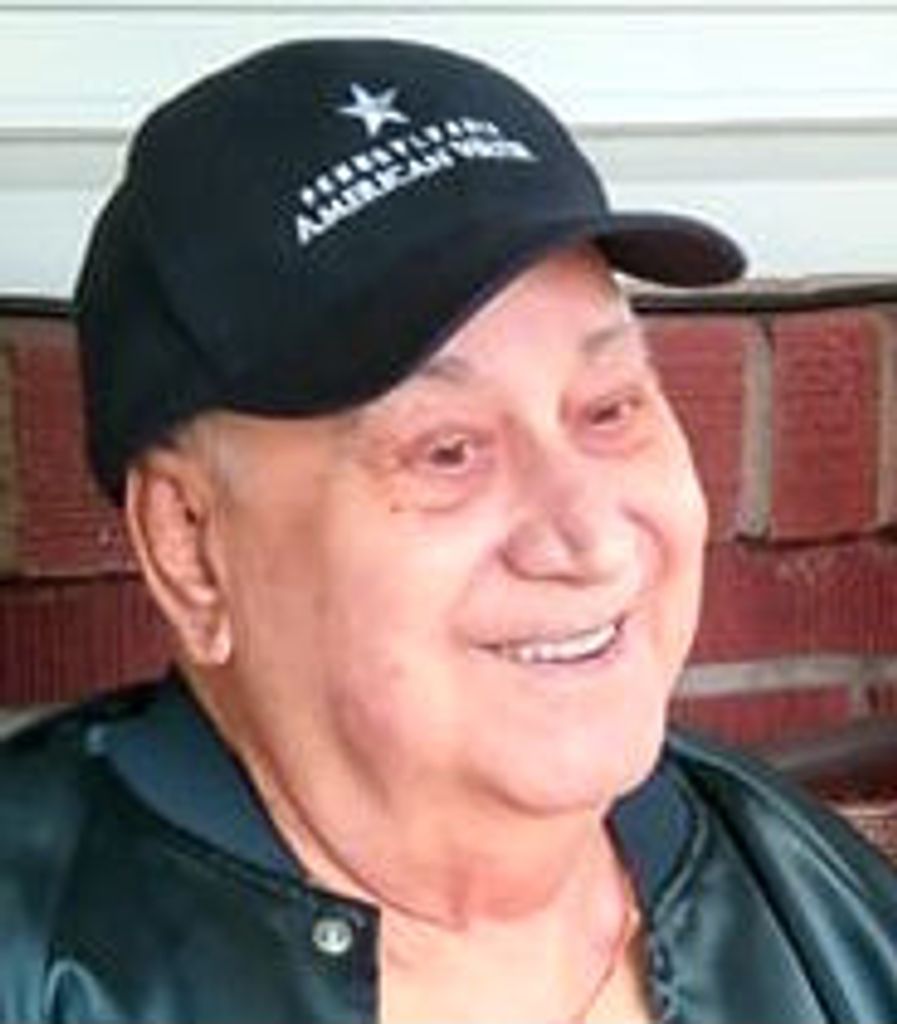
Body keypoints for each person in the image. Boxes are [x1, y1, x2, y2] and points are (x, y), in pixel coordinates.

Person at [0, 38, 895, 1024]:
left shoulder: (812, 902)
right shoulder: (37, 959)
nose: (591, 538)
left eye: (609, 409)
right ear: (191, 546)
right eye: (448, 450)